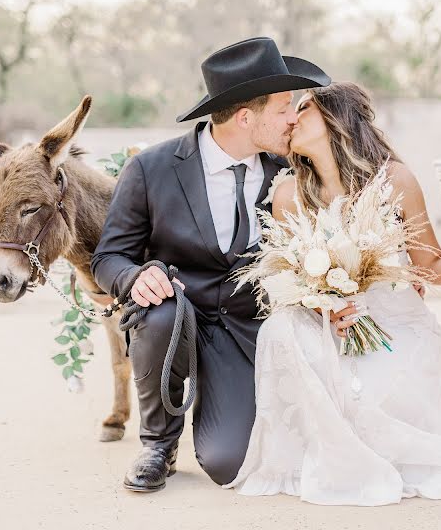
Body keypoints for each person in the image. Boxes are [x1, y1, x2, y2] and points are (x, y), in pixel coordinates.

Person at [225, 82, 441, 505]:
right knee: (280, 329)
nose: (293, 118)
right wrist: (325, 309)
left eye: (305, 108)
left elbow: (428, 267)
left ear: (338, 118)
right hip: (329, 322)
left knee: (373, 392)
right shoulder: (287, 195)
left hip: (395, 320)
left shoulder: (397, 181)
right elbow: (290, 283)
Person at [90, 37, 332, 492]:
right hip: (175, 320)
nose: (293, 117)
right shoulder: (151, 168)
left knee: (230, 463)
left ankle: (215, 404)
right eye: (283, 107)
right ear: (246, 117)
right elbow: (108, 257)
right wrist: (135, 276)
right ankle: (158, 445)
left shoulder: (293, 169)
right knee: (158, 311)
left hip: (244, 330)